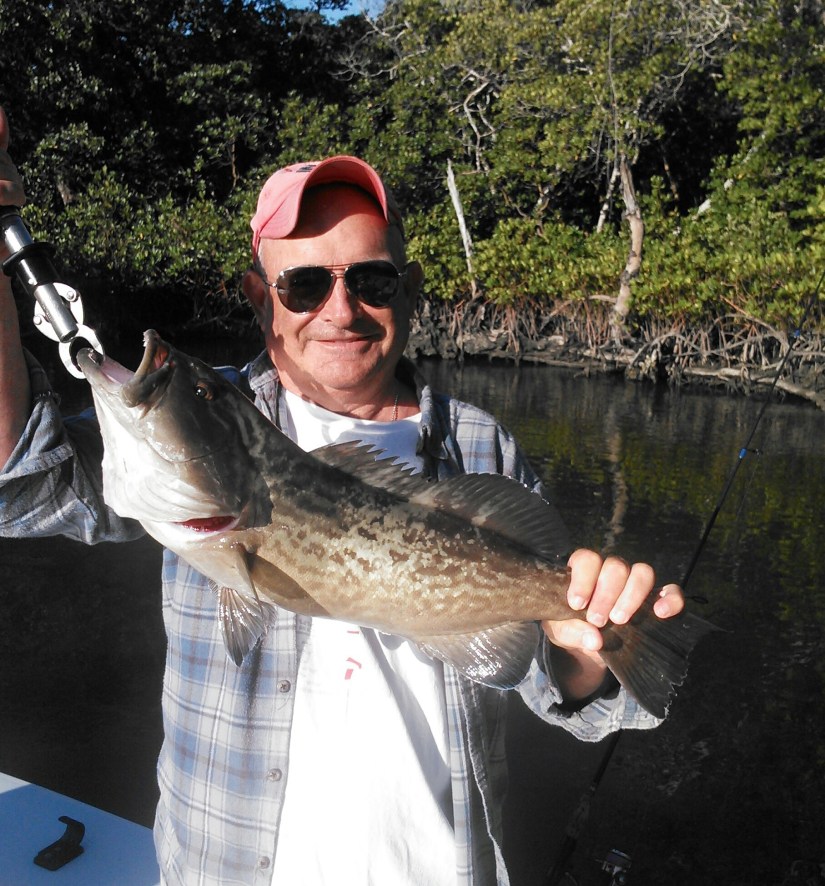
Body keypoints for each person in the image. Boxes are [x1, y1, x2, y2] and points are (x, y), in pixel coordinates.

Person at [0, 105, 684, 885]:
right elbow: (14, 482)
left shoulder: (481, 444)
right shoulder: (214, 431)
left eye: (371, 278)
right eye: (302, 284)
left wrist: (585, 651)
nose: (340, 308)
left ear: (410, 290)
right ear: (260, 300)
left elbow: (540, 681)